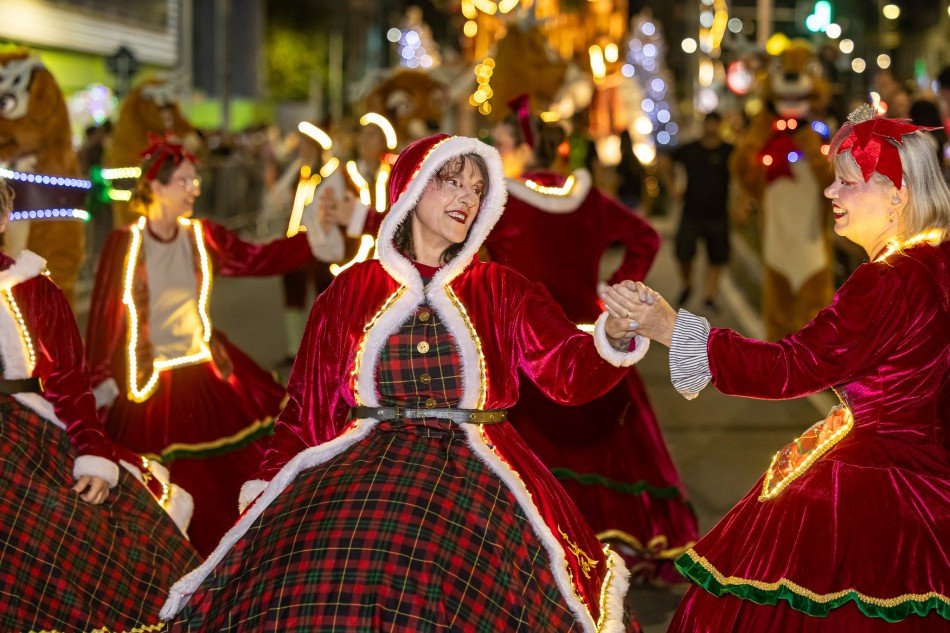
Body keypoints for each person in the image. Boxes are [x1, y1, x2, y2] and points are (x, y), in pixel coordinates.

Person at [161, 134, 647, 631]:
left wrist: (611, 333)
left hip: (477, 478)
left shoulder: (502, 288)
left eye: (477, 189)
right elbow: (306, 408)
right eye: (451, 181)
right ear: (412, 188)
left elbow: (569, 372)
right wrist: (270, 484)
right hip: (367, 472)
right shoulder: (352, 288)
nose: (466, 197)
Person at [605, 106, 949, 630]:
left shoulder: (887, 280)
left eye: (847, 183)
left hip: (876, 489)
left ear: (896, 195)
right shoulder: (936, 262)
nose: (830, 194)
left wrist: (670, 328)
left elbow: (789, 367)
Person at [86, 135, 344, 556]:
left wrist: (317, 235)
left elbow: (258, 258)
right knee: (166, 485)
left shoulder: (201, 235)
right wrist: (99, 382)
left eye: (195, 180)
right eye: (184, 181)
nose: (195, 189)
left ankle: (237, 560)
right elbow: (103, 319)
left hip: (206, 371)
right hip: (150, 383)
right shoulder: (124, 243)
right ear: (155, 187)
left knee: (229, 479)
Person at [487, 126, 698, 582]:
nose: (496, 151)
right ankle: (615, 538)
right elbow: (645, 237)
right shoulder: (587, 198)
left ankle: (545, 542)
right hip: (591, 336)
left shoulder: (501, 202)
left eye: (501, 143)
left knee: (528, 449)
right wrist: (615, 291)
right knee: (614, 441)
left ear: (525, 148)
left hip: (529, 343)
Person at [0, 178, 200, 631]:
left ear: (4, 219)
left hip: (24, 435)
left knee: (67, 534)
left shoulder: (34, 291)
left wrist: (92, 457)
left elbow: (69, 383)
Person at [659, 111, 733, 310]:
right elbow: (665, 161)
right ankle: (688, 285)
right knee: (683, 253)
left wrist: (742, 204)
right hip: (691, 212)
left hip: (718, 214)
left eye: (715, 124)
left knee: (717, 256)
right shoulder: (691, 149)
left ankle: (710, 295)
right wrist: (672, 187)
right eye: (708, 124)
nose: (711, 128)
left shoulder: (729, 150)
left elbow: (744, 171)